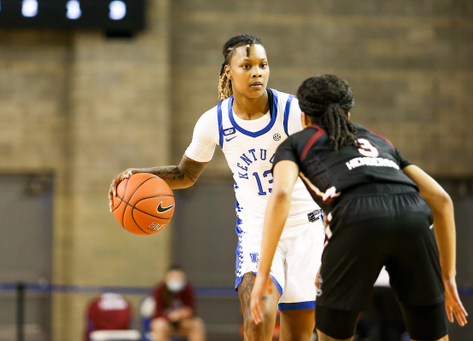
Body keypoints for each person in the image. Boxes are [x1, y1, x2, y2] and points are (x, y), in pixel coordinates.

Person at [108, 34, 324, 341]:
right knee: (256, 314)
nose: (257, 72)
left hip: (306, 226)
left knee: (299, 333)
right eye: (246, 65)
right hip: (256, 229)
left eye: (262, 65)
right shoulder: (214, 122)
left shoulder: (294, 111)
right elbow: (185, 174)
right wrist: (138, 174)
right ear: (228, 70)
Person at [250, 74, 468, 341]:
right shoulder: (379, 142)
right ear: (349, 113)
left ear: (304, 117)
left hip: (356, 217)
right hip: (413, 215)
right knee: (431, 335)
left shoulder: (295, 144)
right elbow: (442, 199)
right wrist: (448, 278)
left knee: (333, 335)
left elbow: (282, 193)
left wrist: (263, 272)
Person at [150, 265, 205, 341]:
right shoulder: (160, 290)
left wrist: (184, 313)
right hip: (166, 322)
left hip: (182, 322)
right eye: (173, 277)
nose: (176, 280)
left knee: (197, 324)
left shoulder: (187, 289)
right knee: (159, 325)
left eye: (178, 277)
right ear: (166, 278)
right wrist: (170, 316)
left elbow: (192, 310)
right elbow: (156, 313)